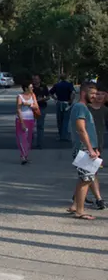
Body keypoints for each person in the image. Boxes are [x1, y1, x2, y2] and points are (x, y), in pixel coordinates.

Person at [68, 82, 99, 220]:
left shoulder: (82, 107)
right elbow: (81, 129)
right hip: (84, 149)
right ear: (83, 93)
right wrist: (91, 149)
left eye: (96, 94)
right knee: (86, 180)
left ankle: (75, 205)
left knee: (83, 179)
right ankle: (80, 211)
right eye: (92, 93)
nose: (95, 96)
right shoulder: (80, 107)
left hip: (86, 148)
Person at [83, 87, 106, 210]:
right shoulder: (86, 109)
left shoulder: (105, 110)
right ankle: (99, 199)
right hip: (88, 145)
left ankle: (78, 196)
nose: (99, 96)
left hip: (99, 145)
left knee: (87, 172)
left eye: (102, 94)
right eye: (97, 94)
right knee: (91, 171)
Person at [15, 82, 38, 165]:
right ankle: (23, 156)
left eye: (32, 87)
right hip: (21, 119)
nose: (32, 88)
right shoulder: (20, 97)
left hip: (30, 119)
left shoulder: (33, 95)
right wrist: (22, 123)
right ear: (25, 88)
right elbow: (18, 110)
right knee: (22, 138)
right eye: (31, 87)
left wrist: (29, 104)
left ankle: (26, 155)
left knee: (29, 138)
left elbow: (36, 106)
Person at [50, 74, 75, 142]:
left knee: (59, 120)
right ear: (66, 78)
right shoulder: (69, 84)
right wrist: (71, 100)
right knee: (66, 120)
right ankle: (64, 135)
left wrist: (55, 98)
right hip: (67, 103)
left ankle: (60, 135)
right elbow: (73, 93)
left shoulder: (57, 85)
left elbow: (51, 93)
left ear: (60, 78)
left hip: (59, 102)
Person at [31, 74, 49, 150]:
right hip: (31, 108)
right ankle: (30, 143)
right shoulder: (30, 87)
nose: (35, 80)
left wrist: (42, 99)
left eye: (36, 79)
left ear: (39, 80)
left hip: (41, 107)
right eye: (34, 79)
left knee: (40, 126)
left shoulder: (44, 87)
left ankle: (40, 144)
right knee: (30, 126)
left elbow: (48, 97)